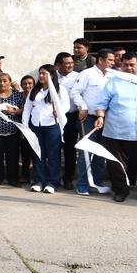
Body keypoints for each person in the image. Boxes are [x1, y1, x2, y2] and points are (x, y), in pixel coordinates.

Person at [93, 53, 137, 204]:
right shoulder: (113, 81)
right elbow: (101, 103)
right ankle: (120, 190)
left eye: (132, 65)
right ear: (121, 65)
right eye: (126, 65)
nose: (129, 68)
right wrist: (100, 117)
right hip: (117, 129)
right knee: (117, 163)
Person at [70, 48, 115, 195]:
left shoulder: (113, 76)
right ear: (101, 60)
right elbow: (75, 92)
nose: (113, 63)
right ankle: (82, 184)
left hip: (107, 119)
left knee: (101, 152)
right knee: (86, 151)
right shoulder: (87, 74)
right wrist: (82, 107)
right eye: (110, 60)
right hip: (88, 118)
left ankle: (97, 182)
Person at [22, 64, 68, 193]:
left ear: (52, 75)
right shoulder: (35, 90)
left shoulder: (60, 89)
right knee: (38, 154)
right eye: (40, 73)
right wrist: (25, 125)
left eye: (44, 74)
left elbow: (66, 106)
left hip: (52, 126)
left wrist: (59, 112)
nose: (41, 76)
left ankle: (53, 182)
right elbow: (27, 108)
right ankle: (39, 181)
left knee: (53, 155)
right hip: (36, 126)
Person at [55, 52, 81, 189]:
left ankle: (68, 178)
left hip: (71, 117)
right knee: (54, 148)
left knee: (70, 149)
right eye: (67, 63)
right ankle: (54, 177)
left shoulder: (78, 77)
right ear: (58, 65)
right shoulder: (51, 77)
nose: (70, 65)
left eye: (71, 63)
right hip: (54, 118)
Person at [18, 74, 35, 183]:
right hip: (22, 127)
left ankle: (37, 176)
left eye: (29, 83)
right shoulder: (18, 96)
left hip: (35, 126)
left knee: (35, 152)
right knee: (25, 153)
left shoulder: (37, 95)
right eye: (24, 83)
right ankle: (25, 176)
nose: (27, 85)